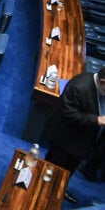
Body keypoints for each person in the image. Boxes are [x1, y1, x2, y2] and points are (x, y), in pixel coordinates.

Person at [45, 67, 105, 204]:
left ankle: (59, 191)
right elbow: (68, 114)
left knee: (68, 170)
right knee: (52, 169)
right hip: (65, 140)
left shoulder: (99, 88)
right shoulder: (79, 87)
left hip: (81, 142)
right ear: (102, 81)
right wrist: (97, 120)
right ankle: (45, 196)